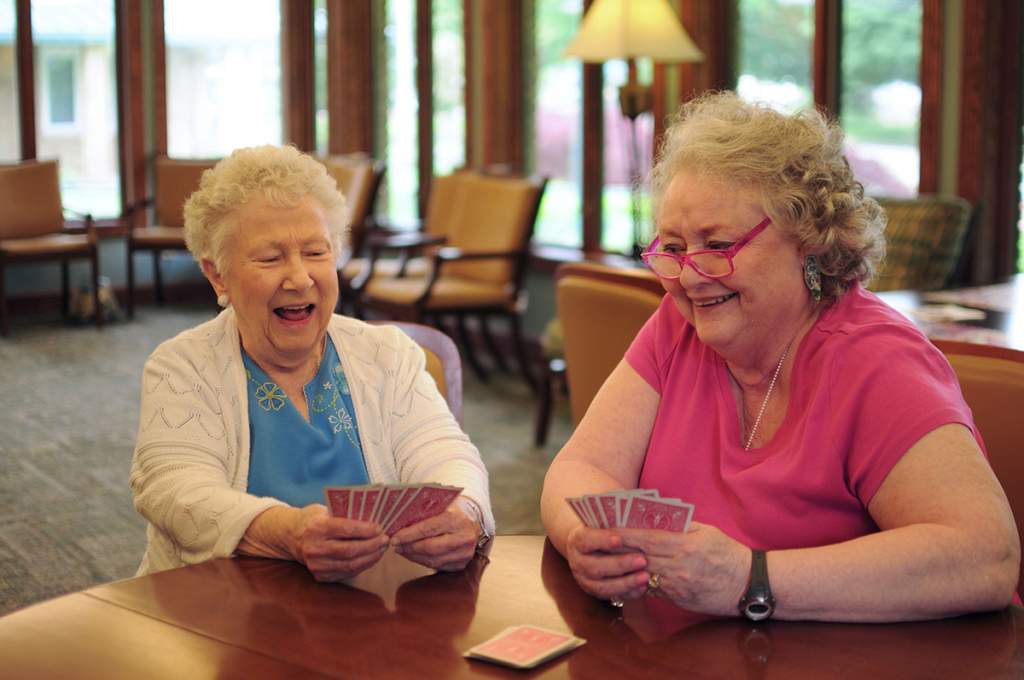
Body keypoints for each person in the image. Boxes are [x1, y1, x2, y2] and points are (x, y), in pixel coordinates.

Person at [540, 91, 1020, 622]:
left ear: (809, 242)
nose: (690, 276)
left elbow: (985, 556)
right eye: (673, 249)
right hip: (692, 652)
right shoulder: (678, 328)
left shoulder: (874, 361)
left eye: (717, 245)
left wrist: (749, 579)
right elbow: (581, 466)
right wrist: (590, 537)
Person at [131, 145, 493, 581]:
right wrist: (285, 532)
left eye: (316, 252)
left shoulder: (387, 353)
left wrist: (466, 510)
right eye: (270, 258)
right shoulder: (183, 366)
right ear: (217, 275)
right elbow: (176, 489)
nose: (300, 278)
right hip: (222, 605)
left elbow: (444, 453)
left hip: (375, 603)